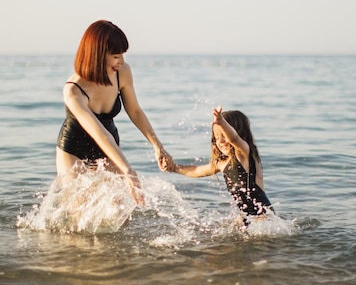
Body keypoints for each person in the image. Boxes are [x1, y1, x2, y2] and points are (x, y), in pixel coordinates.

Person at [56, 20, 173, 205]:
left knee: (121, 207)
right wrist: (127, 169)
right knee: (79, 213)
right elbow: (99, 133)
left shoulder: (122, 72)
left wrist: (157, 146)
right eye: (116, 56)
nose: (122, 62)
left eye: (122, 55)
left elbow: (134, 111)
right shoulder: (74, 90)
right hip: (74, 149)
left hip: (110, 144)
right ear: (98, 55)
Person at [165, 106, 273, 226]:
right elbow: (196, 170)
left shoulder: (244, 154)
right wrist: (174, 167)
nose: (220, 141)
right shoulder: (221, 163)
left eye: (224, 135)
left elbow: (234, 139)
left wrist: (221, 122)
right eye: (216, 137)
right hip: (247, 217)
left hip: (264, 216)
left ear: (239, 132)